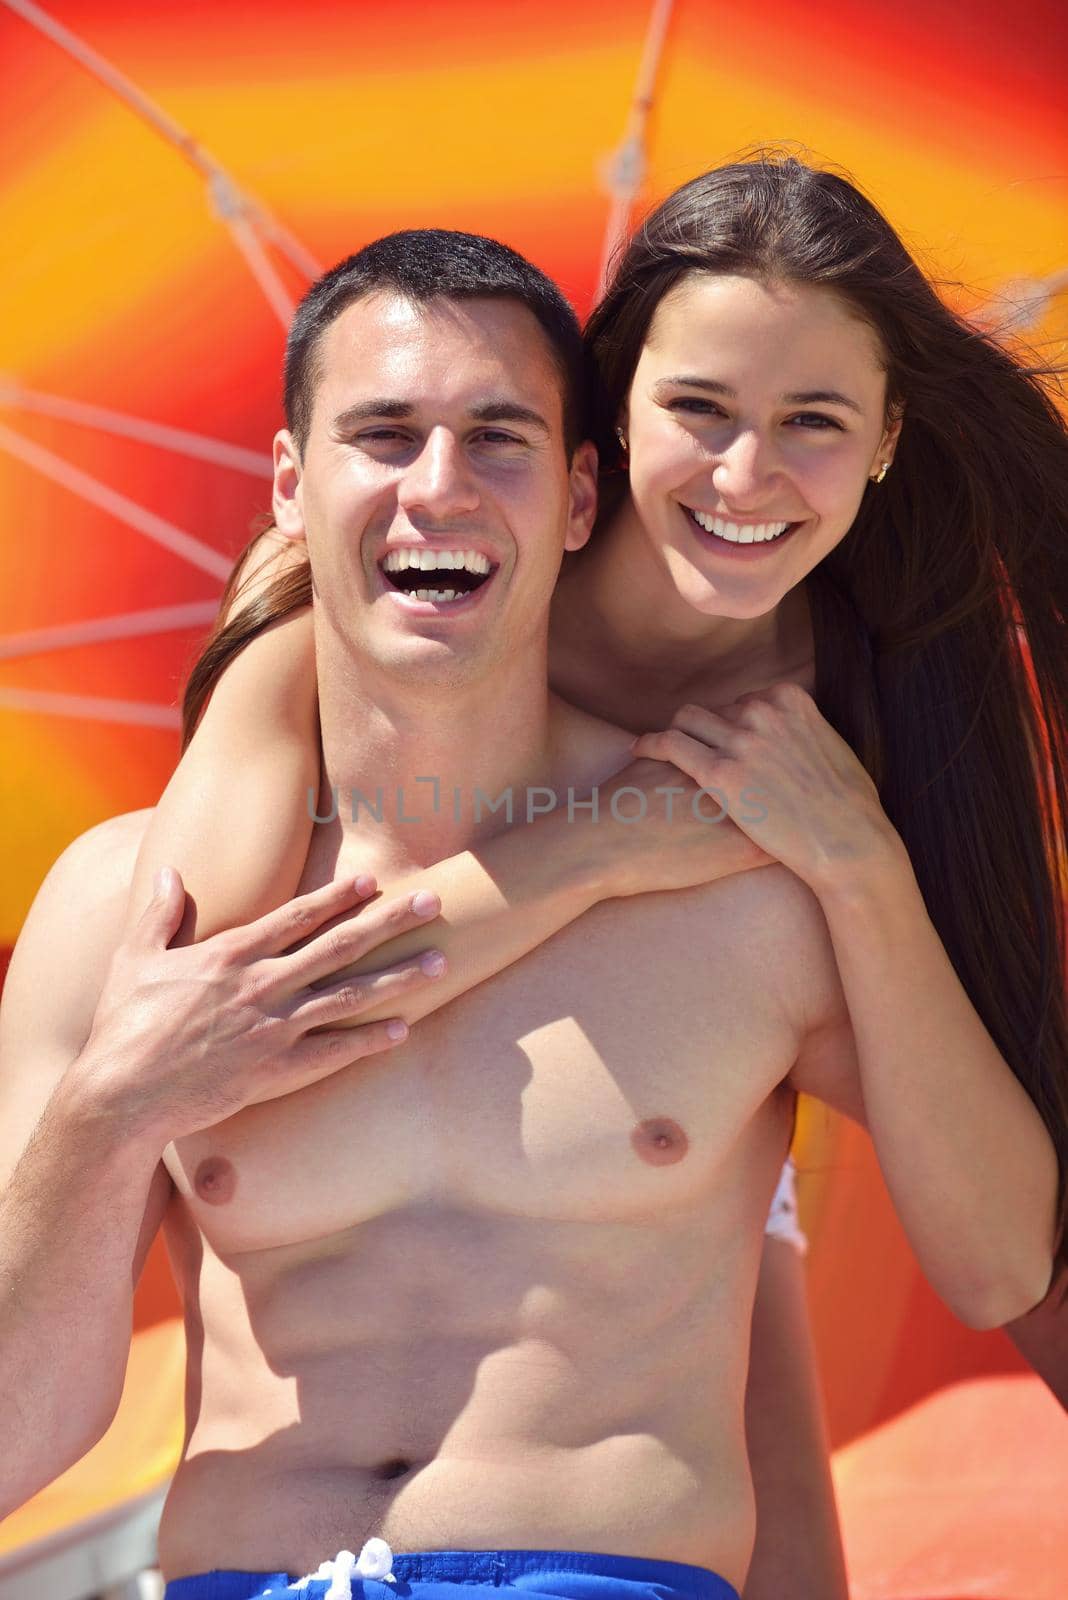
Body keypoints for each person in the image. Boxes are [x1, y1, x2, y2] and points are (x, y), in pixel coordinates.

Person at [0, 201, 1060, 1600]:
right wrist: (118, 1098)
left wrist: (854, 864)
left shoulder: (815, 769)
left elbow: (1007, 1264)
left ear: (570, 484)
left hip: (612, 1504)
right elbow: (220, 956)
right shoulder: (192, 819)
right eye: (381, 437)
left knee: (737, 1295)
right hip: (250, 1572)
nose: (437, 487)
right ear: (288, 490)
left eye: (495, 438)